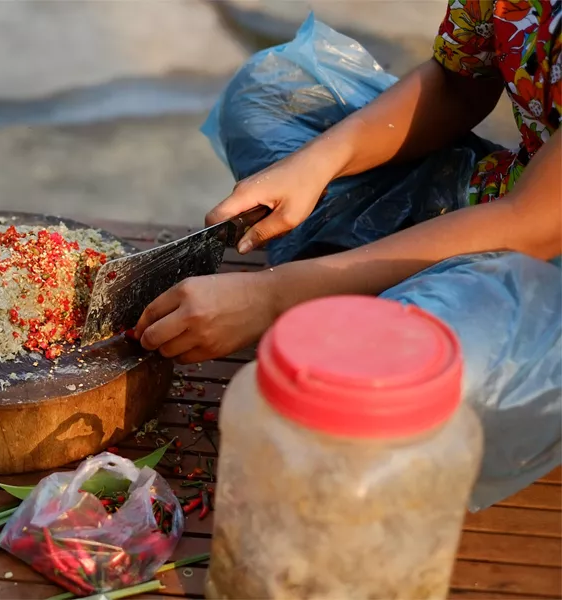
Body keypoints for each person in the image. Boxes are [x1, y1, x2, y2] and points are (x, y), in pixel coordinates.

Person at [134, 1, 561, 510]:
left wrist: (273, 297)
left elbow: (531, 225)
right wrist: (317, 164)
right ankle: (363, 295)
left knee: (401, 389)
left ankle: (359, 302)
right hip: (504, 201)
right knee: (274, 90)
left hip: (538, 267)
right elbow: (456, 86)